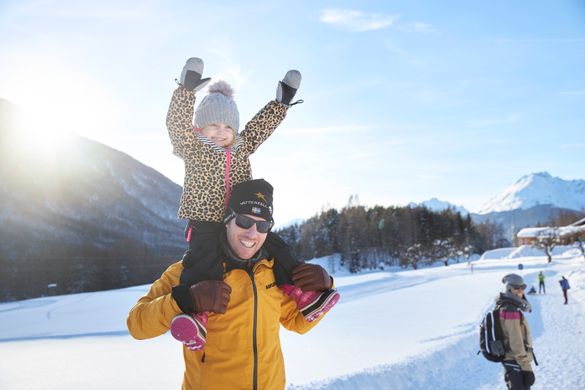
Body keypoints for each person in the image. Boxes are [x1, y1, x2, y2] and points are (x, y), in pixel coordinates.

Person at [166, 58, 339, 350]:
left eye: (227, 126)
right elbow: (176, 125)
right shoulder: (192, 147)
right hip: (206, 223)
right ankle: (198, 319)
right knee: (203, 263)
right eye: (212, 125)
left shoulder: (241, 147)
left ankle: (304, 297)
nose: (220, 132)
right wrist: (185, 92)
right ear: (200, 128)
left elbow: (260, 128)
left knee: (276, 246)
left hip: (243, 221)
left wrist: (281, 103)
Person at [127, 179, 336, 389]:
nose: (252, 233)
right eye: (244, 221)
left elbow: (297, 323)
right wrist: (184, 300)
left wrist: (325, 286)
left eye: (262, 225)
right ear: (228, 219)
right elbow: (137, 324)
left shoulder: (272, 271)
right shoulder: (189, 271)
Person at [497, 273, 535, 390]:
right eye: (516, 288)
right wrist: (526, 367)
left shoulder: (508, 305)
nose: (520, 291)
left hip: (512, 362)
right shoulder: (510, 309)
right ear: (509, 289)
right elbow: (516, 341)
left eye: (522, 287)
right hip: (515, 362)